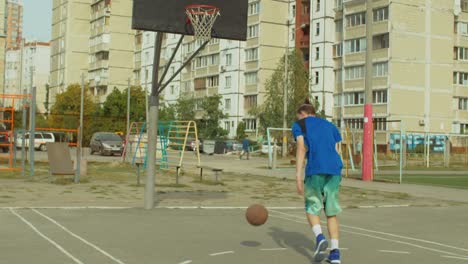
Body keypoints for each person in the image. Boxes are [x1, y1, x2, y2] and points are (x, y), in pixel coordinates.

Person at [292, 99, 343, 264]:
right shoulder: (330, 125)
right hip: (334, 169)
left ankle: (319, 237)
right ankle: (335, 254)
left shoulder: (299, 124)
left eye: (299, 116)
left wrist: (298, 176)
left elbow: (301, 148)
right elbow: (337, 149)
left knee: (312, 207)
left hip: (316, 168)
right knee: (331, 212)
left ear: (303, 114)